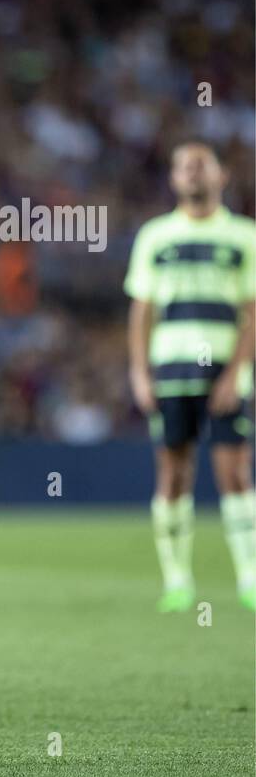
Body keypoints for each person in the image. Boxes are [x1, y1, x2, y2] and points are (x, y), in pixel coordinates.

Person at [125, 140, 256, 612]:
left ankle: (249, 578)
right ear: (174, 179)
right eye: (183, 166)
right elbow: (142, 310)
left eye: (202, 164)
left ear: (222, 175)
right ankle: (177, 581)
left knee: (235, 474)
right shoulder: (156, 236)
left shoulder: (244, 236)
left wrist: (235, 373)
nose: (192, 172)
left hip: (223, 372)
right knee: (173, 473)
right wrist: (139, 373)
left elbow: (252, 312)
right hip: (171, 371)